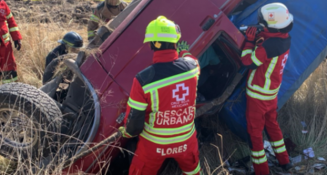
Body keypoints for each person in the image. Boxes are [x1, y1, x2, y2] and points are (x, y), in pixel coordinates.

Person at [119, 16, 202, 175]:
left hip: (154, 144)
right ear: (175, 41)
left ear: (153, 44)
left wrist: (126, 132)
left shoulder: (143, 79)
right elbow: (191, 58)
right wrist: (183, 50)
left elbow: (134, 123)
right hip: (185, 141)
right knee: (194, 172)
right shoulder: (193, 67)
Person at [240, 3, 294, 175]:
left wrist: (249, 41)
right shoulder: (284, 38)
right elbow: (270, 38)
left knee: (255, 134)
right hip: (271, 94)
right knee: (272, 126)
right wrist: (259, 34)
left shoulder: (267, 47)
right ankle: (285, 161)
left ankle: (261, 171)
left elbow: (248, 62)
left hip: (258, 95)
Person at [0, 0, 22, 83]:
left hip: (5, 46)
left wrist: (17, 38)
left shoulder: (3, 4)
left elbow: (11, 22)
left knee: (9, 69)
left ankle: (11, 92)